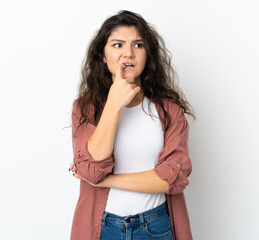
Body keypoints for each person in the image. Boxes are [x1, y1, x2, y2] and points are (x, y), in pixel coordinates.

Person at [68, 10, 195, 240]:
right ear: (103, 56)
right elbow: (92, 169)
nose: (128, 53)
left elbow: (172, 179)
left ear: (148, 55)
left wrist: (107, 181)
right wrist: (114, 104)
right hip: (103, 228)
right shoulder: (85, 108)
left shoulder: (169, 111)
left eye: (138, 45)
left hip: (155, 226)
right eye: (118, 45)